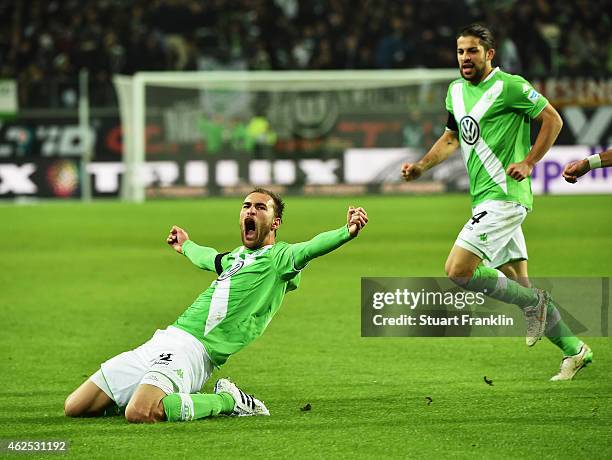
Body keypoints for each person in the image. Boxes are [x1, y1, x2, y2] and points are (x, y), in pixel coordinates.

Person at [64, 188, 368, 422]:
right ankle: (158, 394)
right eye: (246, 206)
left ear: (275, 222)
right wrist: (185, 246)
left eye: (260, 207)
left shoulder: (280, 259)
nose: (250, 210)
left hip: (195, 353)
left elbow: (312, 247)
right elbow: (208, 257)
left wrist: (347, 232)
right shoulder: (235, 258)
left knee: (140, 413)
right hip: (164, 339)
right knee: (76, 407)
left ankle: (228, 401)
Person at [401, 23, 592, 381]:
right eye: (460, 51)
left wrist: (529, 161)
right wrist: (421, 167)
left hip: (506, 196)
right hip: (483, 199)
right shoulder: (455, 91)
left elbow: (553, 119)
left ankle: (534, 304)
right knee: (521, 286)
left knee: (458, 271)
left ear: (489, 54)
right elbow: (451, 137)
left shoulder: (510, 87)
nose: (465, 58)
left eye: (472, 51)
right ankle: (574, 350)